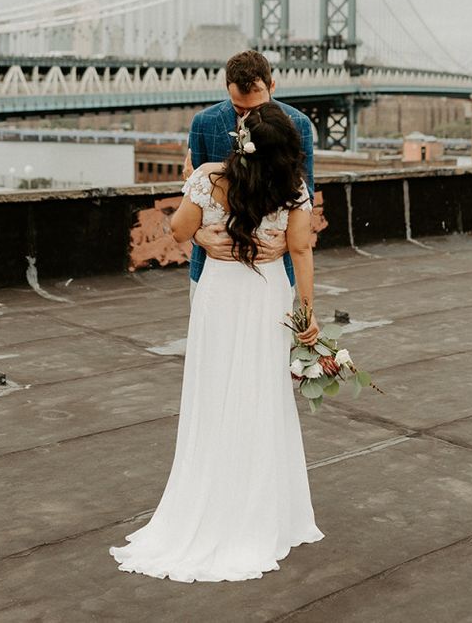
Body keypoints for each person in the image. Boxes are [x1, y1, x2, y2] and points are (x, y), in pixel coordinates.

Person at [109, 101, 324, 582]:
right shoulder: (292, 189)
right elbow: (302, 250)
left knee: (213, 393)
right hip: (268, 293)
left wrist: (210, 232)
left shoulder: (208, 178)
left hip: (220, 294)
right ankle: (264, 509)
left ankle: (209, 496)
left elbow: (179, 230)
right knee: (261, 395)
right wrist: (307, 316)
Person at [184, 50, 314, 300]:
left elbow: (306, 196)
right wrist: (199, 237)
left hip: (274, 265)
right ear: (227, 89)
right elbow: (194, 197)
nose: (247, 118)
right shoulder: (203, 123)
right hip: (212, 266)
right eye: (239, 108)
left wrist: (287, 243)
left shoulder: (299, 124)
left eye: (255, 108)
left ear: (272, 85)